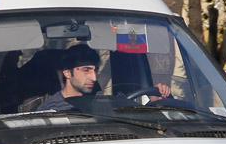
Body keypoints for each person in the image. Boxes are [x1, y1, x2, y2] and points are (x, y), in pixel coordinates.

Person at [37, 44, 172, 113]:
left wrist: (152, 101)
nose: (94, 77)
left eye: (94, 70)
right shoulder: (50, 110)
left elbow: (131, 117)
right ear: (67, 73)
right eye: (86, 70)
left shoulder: (104, 101)